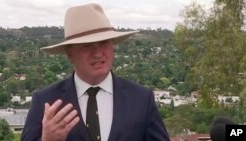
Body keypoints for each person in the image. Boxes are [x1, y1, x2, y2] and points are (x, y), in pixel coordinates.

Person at [21, 3, 170, 141]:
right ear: (70, 54)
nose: (98, 53)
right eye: (87, 46)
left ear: (113, 47)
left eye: (104, 42)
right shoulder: (46, 102)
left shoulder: (141, 99)